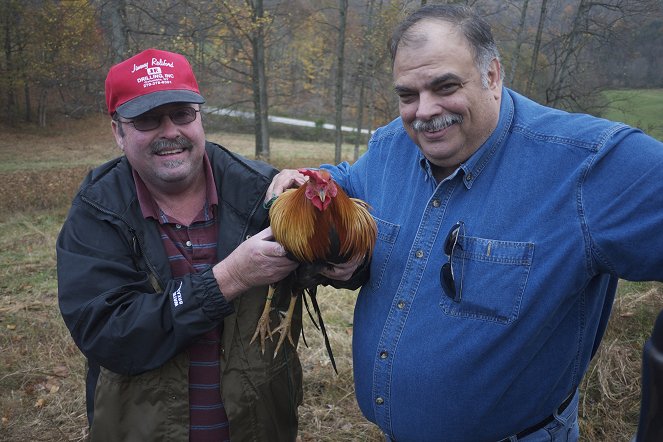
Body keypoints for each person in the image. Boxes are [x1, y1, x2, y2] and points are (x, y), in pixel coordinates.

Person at [269, 4, 663, 441]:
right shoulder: (390, 147)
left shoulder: (587, 165)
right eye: (407, 95)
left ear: (492, 75)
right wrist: (301, 178)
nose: (424, 111)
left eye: (445, 86)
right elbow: (349, 179)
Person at [56, 48, 362, 442]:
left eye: (182, 114)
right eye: (148, 119)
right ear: (118, 131)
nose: (170, 132)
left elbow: (333, 262)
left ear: (200, 118)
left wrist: (348, 255)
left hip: (257, 427)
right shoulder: (98, 211)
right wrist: (228, 279)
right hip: (140, 431)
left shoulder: (260, 190)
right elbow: (108, 334)